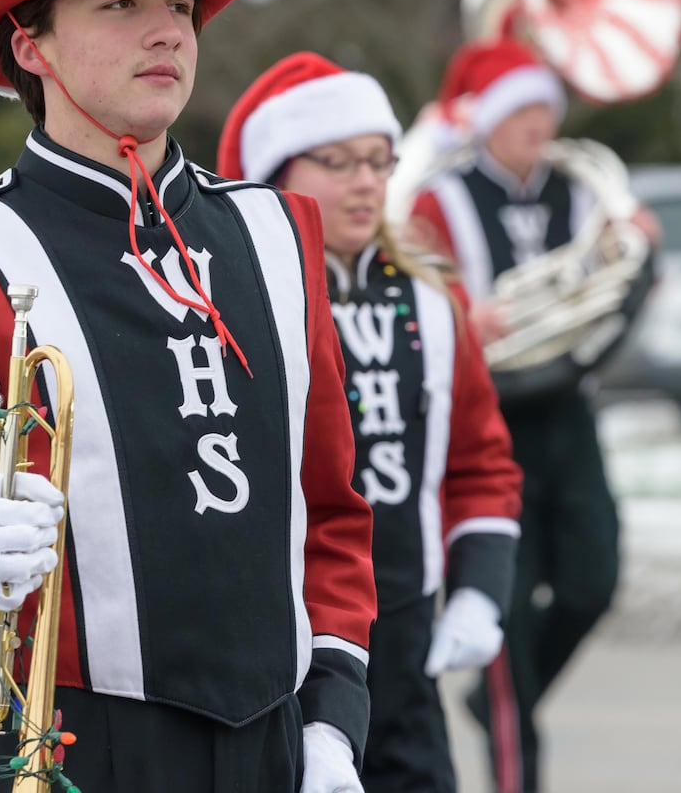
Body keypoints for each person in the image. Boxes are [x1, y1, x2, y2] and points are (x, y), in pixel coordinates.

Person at [0, 0, 377, 792]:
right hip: (67, 748)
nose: (169, 29)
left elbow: (328, 514)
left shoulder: (279, 234)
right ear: (32, 46)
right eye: (122, 2)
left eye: (180, 2)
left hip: (275, 742)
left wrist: (332, 720)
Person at [217, 52, 523, 792]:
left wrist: (481, 587)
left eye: (380, 162)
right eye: (339, 162)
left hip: (404, 624)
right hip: (286, 641)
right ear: (277, 171)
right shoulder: (234, 304)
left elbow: (482, 461)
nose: (366, 183)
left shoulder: (431, 301)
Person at [404, 39, 656, 793]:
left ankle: (503, 700)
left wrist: (640, 250)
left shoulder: (586, 188)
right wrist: (461, 315)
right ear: (488, 119)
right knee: (507, 621)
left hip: (569, 416)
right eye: (522, 110)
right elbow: (414, 289)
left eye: (546, 107)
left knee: (594, 579)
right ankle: (513, 741)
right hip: (490, 419)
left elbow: (615, 281)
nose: (540, 124)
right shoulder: (437, 199)